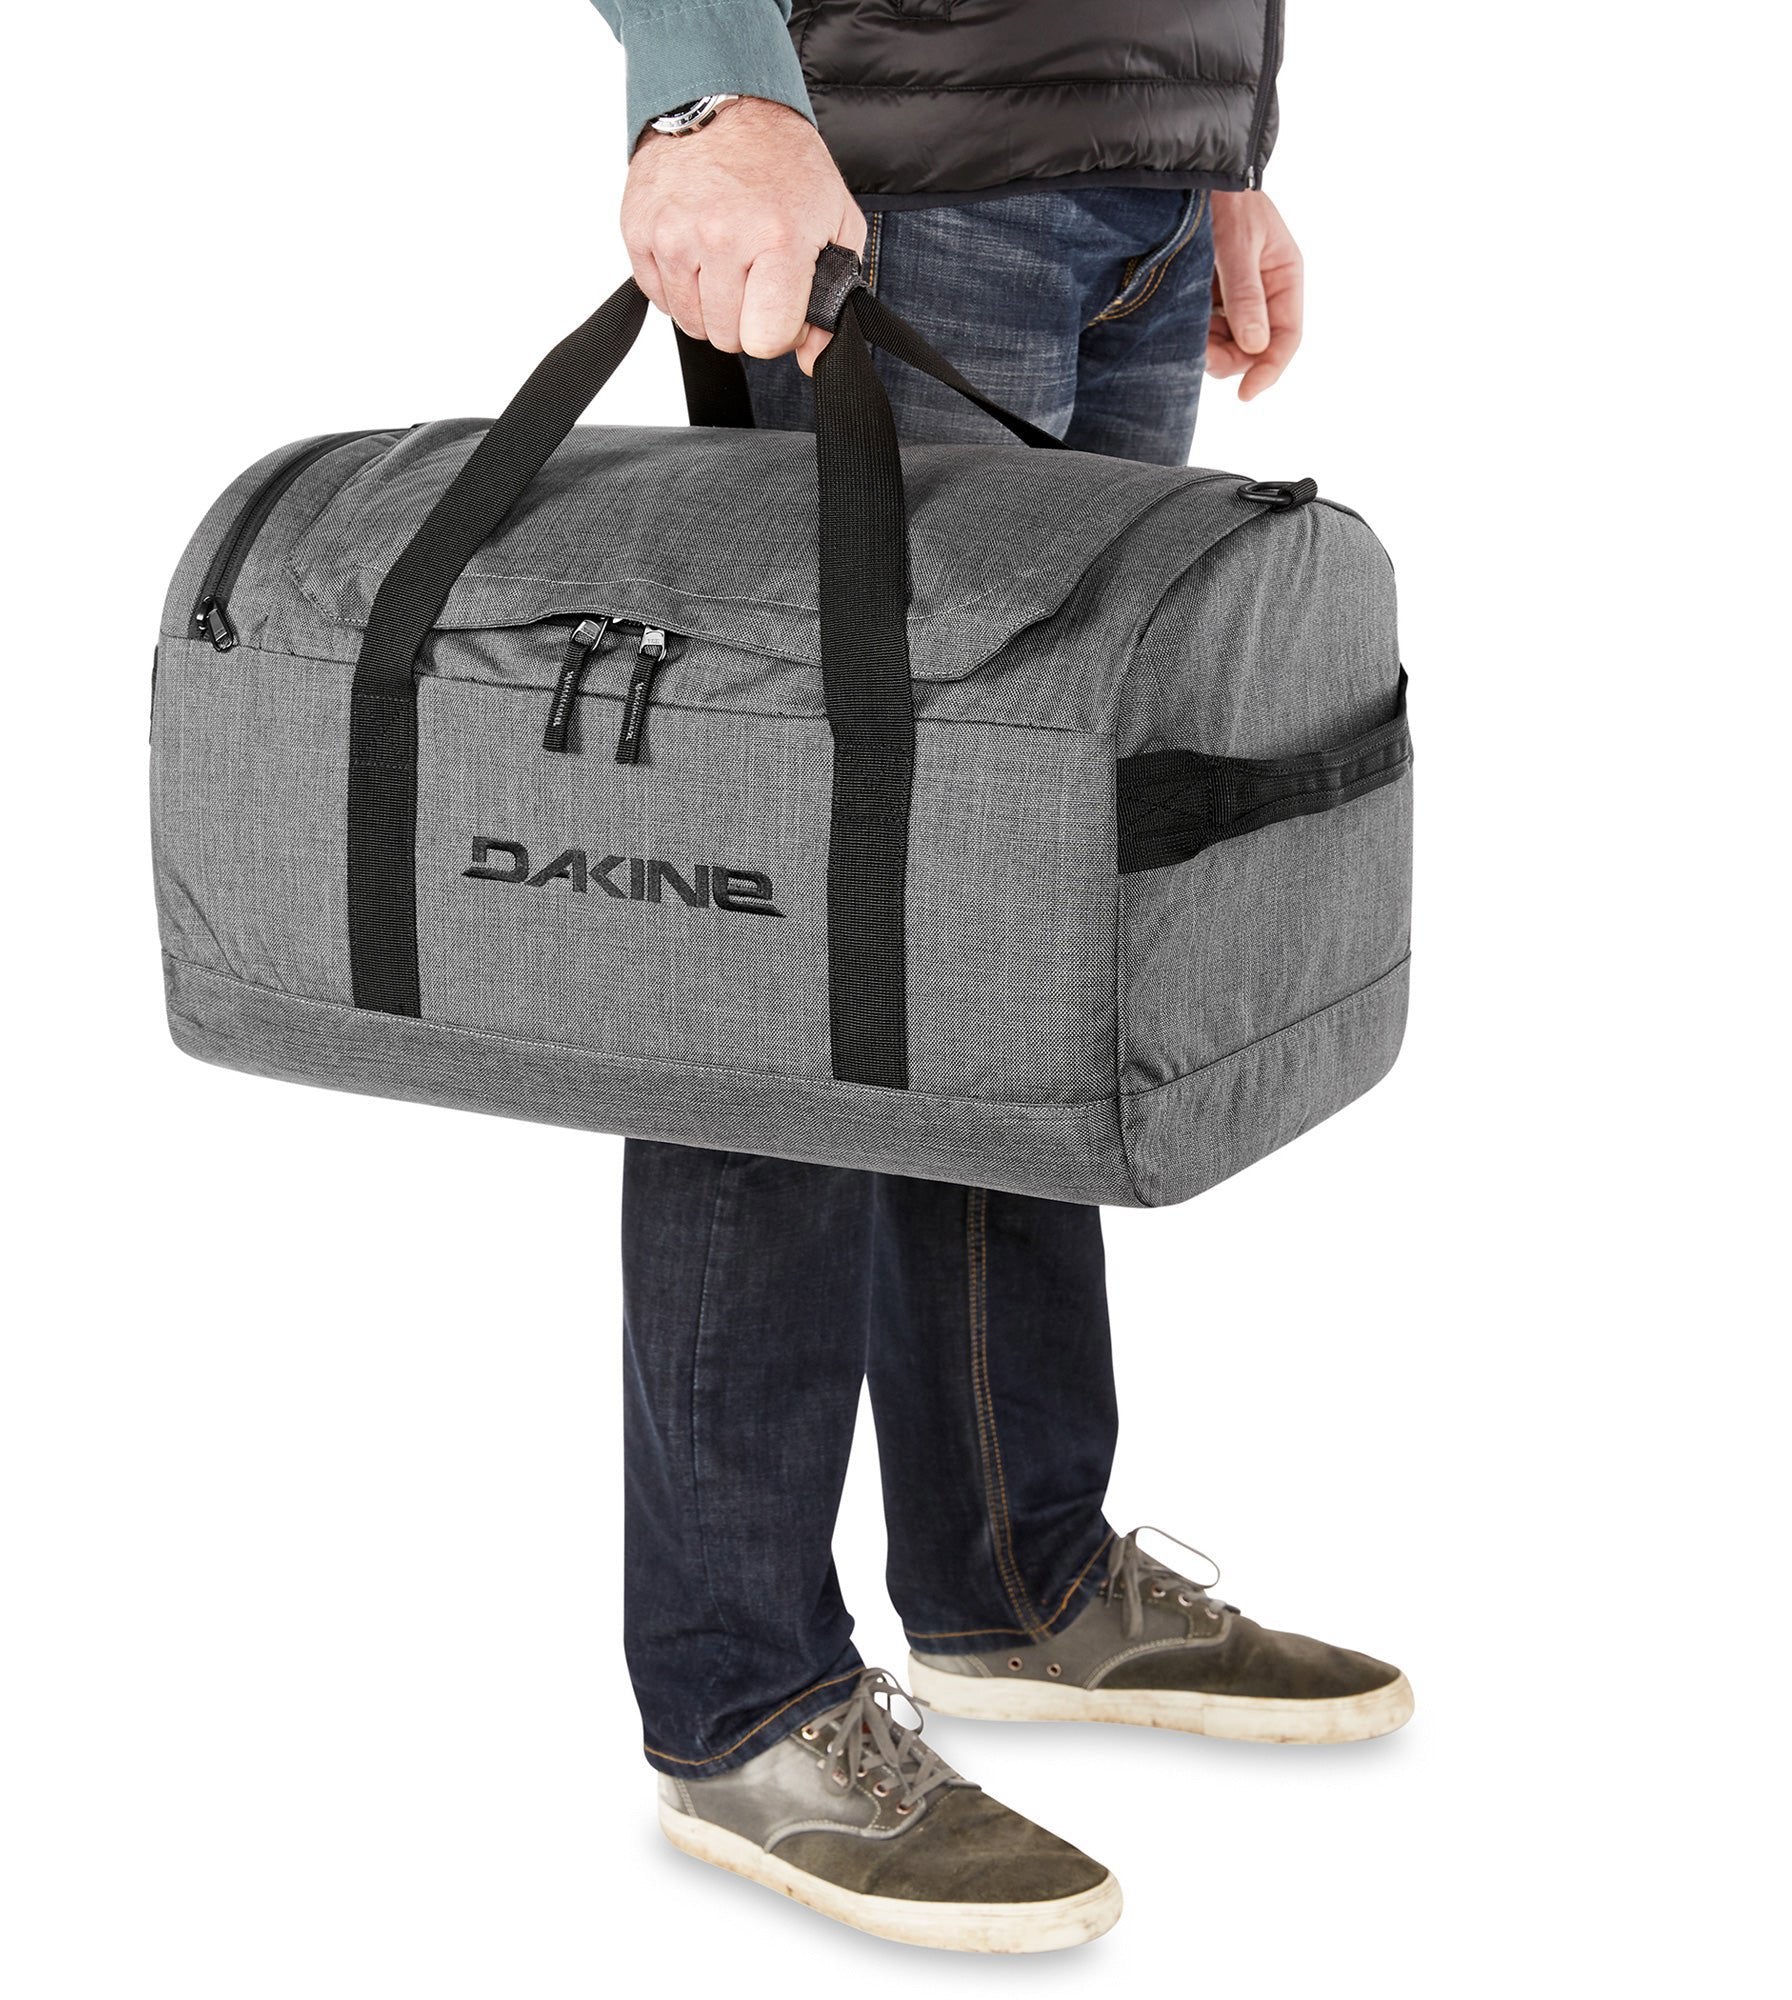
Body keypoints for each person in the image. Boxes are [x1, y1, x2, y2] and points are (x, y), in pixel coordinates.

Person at [590, 0, 1411, 1954]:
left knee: (1016, 913)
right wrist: (705, 77)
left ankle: (1014, 1567)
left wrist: (1208, 136)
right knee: (800, 931)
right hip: (891, 175)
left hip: (1128, 175)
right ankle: (742, 1693)